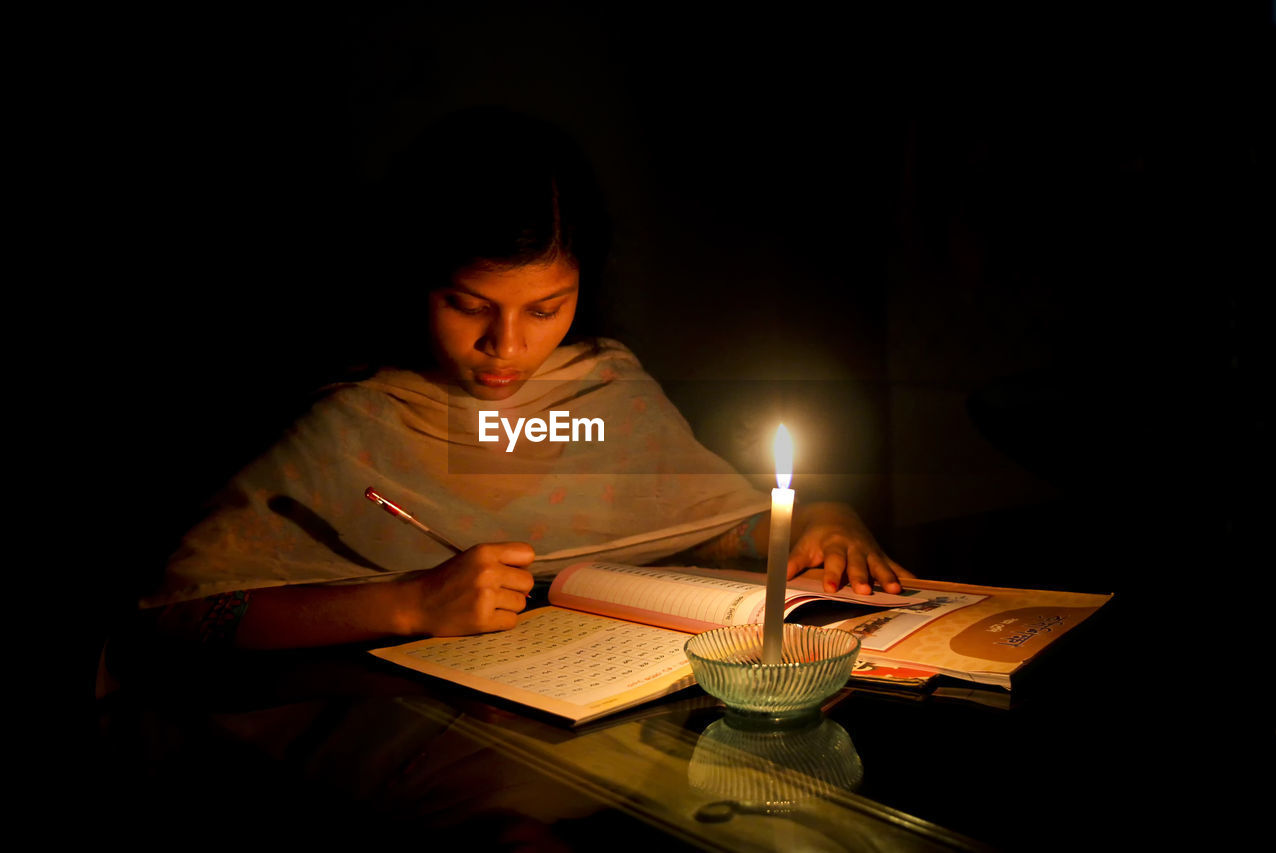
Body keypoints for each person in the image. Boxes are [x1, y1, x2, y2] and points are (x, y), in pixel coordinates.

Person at [142, 108, 911, 650]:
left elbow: (704, 525)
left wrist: (811, 518)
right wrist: (407, 602)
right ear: (415, 280)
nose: (504, 347)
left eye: (546, 308)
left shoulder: (605, 392)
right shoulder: (358, 427)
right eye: (466, 305)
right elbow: (175, 618)